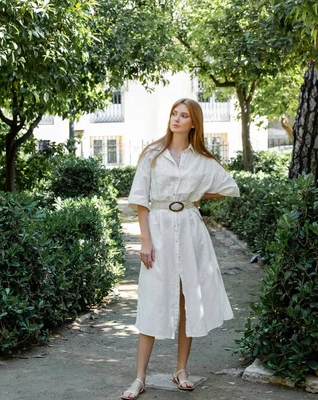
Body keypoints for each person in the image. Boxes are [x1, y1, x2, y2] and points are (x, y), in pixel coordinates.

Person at [121, 98, 240, 399]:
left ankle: (181, 370)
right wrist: (145, 240)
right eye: (174, 113)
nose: (176, 119)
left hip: (189, 229)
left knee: (189, 298)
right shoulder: (152, 153)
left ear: (193, 123)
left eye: (183, 115)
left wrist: (196, 195)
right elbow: (140, 200)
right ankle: (139, 378)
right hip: (158, 230)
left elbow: (229, 187)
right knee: (152, 299)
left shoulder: (201, 159)